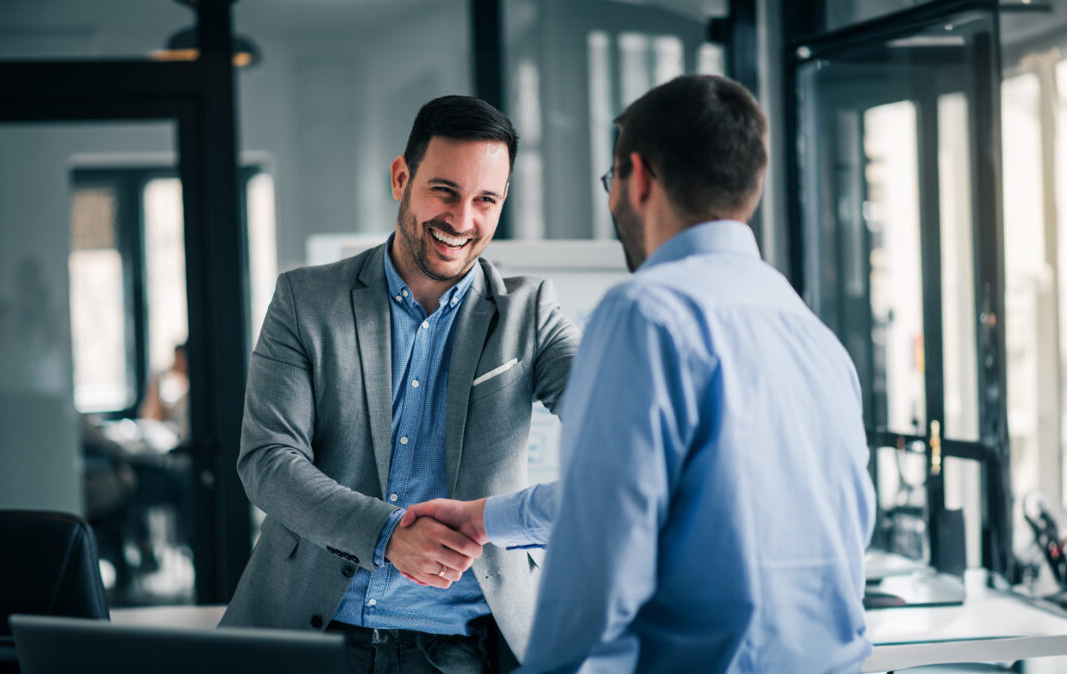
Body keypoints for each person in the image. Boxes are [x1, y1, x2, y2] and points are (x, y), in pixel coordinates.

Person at [404, 75, 876, 672]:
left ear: (640, 178)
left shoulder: (645, 313)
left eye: (612, 180)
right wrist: (483, 518)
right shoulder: (813, 336)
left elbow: (599, 554)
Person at [220, 95, 581, 673]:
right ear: (401, 177)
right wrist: (386, 533)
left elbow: (614, 410)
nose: (462, 220)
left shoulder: (529, 312)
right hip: (309, 633)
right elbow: (267, 460)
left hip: (455, 651)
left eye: (485, 200)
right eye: (445, 191)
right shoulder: (305, 300)